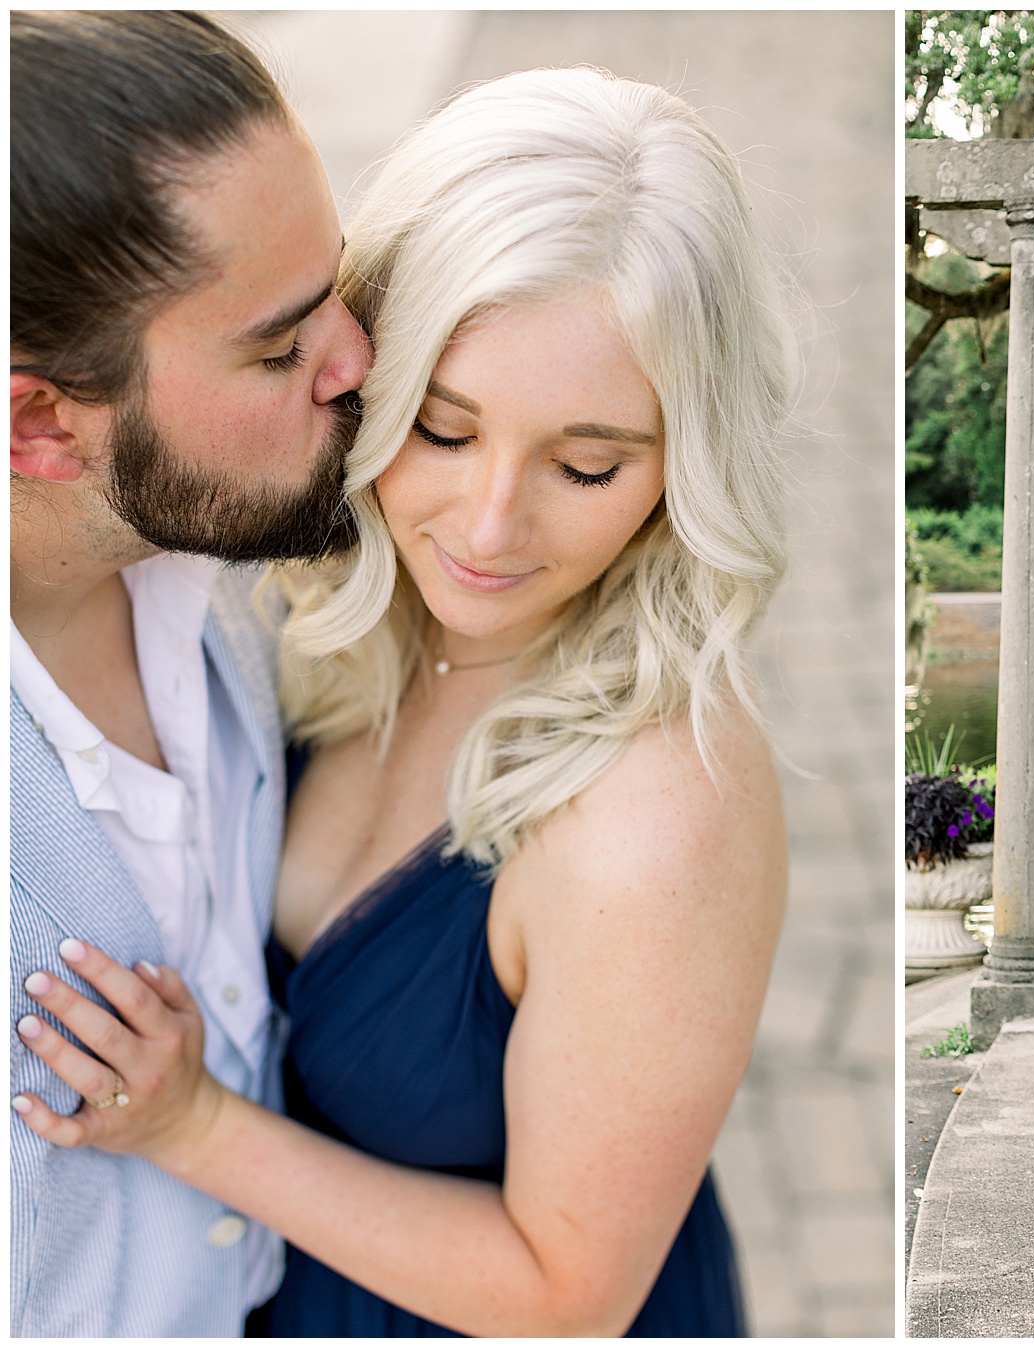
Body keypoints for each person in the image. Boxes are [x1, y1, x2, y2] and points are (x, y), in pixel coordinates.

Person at [12, 67, 791, 1336]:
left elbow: (570, 1295)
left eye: (587, 463)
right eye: (438, 428)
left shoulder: (661, 811)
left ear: (681, 466)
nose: (489, 528)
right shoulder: (297, 603)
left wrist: (200, 1125)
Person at [10, 11, 371, 1335]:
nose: (356, 363)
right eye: (278, 351)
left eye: (337, 290)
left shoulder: (222, 570)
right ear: (41, 422)